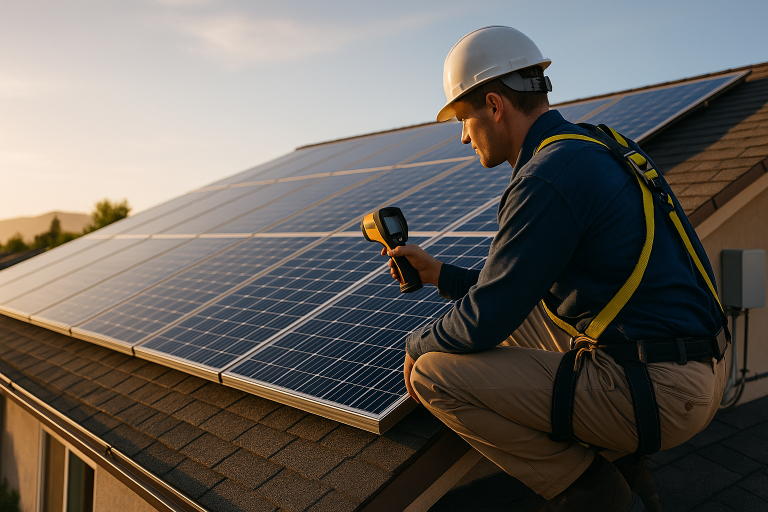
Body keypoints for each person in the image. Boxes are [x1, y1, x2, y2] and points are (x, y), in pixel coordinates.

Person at [382, 26, 728, 512]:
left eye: (463, 118)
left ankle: (594, 491)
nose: (462, 136)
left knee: (434, 374)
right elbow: (514, 286)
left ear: (496, 106)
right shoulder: (594, 144)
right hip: (700, 367)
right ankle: (635, 481)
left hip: (661, 392)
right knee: (526, 312)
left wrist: (415, 346)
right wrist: (441, 273)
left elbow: (489, 317)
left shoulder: (547, 176)